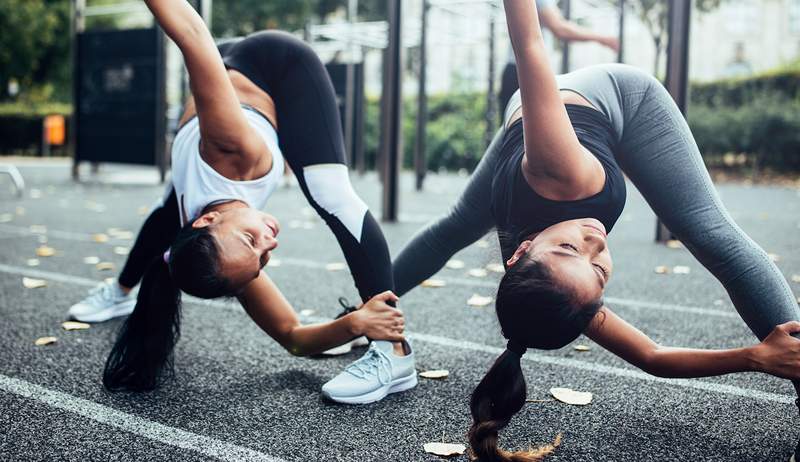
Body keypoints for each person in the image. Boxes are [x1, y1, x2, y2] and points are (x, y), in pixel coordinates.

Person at [392, 0, 800, 459]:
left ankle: (368, 308)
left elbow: (528, 43)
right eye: (600, 272)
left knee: (712, 236)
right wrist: (756, 356)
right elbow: (652, 357)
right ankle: (369, 310)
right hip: (528, 138)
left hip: (620, 101)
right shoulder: (564, 296)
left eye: (569, 248)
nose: (596, 243)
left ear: (520, 250)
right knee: (457, 225)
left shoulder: (557, 171)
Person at [69, 0, 416, 403]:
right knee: (166, 214)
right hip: (235, 76)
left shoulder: (231, 150)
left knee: (330, 193)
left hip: (277, 65)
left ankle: (393, 352)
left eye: (253, 242)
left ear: (205, 220)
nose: (270, 243)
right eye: (262, 260)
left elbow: (193, 34)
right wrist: (355, 323)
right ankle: (121, 290)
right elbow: (293, 338)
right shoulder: (227, 261)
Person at [497, 0, 620, 117]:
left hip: (523, 71)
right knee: (523, 130)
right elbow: (559, 28)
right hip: (524, 73)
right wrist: (602, 39)